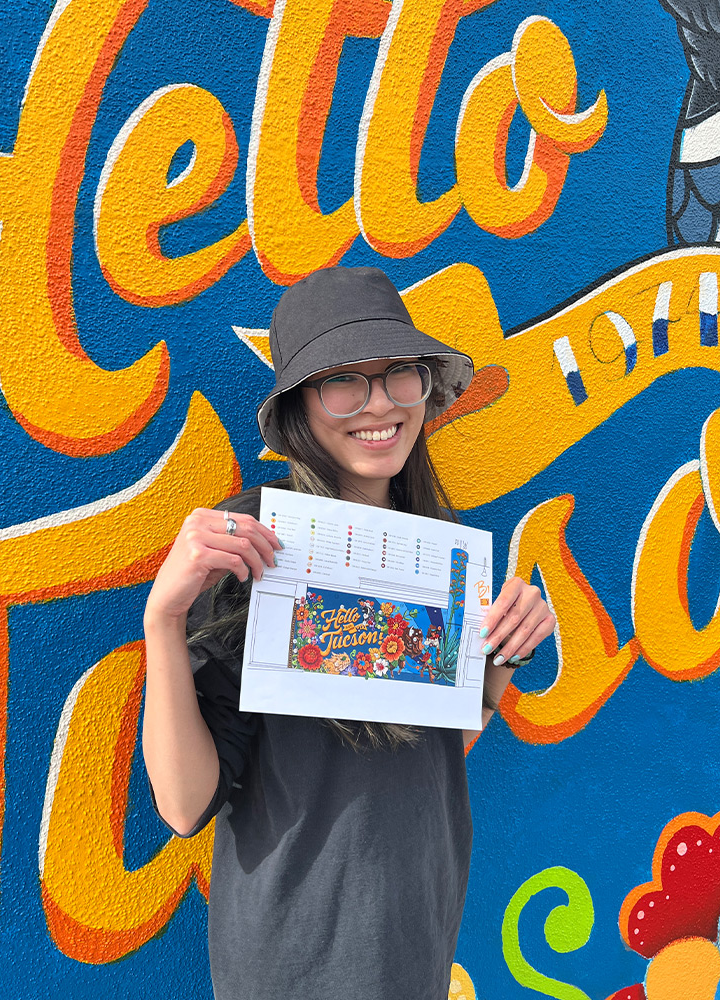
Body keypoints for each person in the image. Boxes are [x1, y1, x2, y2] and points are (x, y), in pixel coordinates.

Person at [142, 266, 556, 1000]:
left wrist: (500, 661)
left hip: (416, 941)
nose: (378, 406)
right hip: (295, 962)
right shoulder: (254, 547)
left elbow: (433, 746)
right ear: (301, 408)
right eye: (343, 382)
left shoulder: (440, 549)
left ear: (425, 389)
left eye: (400, 375)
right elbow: (184, 805)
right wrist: (163, 620)